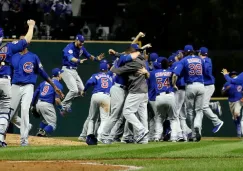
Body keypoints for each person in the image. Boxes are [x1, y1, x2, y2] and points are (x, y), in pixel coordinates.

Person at [9, 36, 64, 146]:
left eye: (23, 40)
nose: (21, 42)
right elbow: (8, 72)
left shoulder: (33, 57)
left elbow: (42, 72)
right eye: (20, 40)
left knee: (25, 111)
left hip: (28, 86)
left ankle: (24, 141)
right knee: (9, 113)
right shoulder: (13, 56)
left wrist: (54, 85)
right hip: (14, 86)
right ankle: (18, 129)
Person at [0, 20, 35, 147]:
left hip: (19, 85)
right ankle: (0, 138)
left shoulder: (30, 56)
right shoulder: (8, 47)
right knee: (6, 111)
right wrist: (31, 26)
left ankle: (8, 138)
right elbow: (27, 40)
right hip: (7, 82)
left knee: (12, 111)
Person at [111, 44, 149, 144]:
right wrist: (116, 54)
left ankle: (141, 130)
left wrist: (112, 68)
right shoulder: (143, 60)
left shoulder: (134, 62)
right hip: (143, 91)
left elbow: (119, 71)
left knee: (127, 112)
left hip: (136, 90)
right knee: (142, 115)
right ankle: (143, 139)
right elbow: (125, 55)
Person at [61, 34, 104, 115]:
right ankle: (63, 105)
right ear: (76, 40)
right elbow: (70, 58)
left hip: (74, 71)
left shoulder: (81, 48)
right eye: (80, 42)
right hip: (66, 70)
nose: (81, 44)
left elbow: (88, 55)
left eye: (83, 43)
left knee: (82, 91)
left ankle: (68, 104)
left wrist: (96, 59)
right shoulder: (69, 47)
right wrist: (78, 61)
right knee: (74, 90)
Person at [172, 45, 205, 142]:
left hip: (190, 86)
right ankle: (197, 126)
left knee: (190, 111)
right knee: (199, 110)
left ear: (185, 52)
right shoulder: (200, 59)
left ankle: (193, 134)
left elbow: (175, 74)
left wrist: (174, 84)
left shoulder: (184, 60)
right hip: (201, 85)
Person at [81, 62, 113, 142]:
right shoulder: (110, 76)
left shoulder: (96, 75)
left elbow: (89, 82)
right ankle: (100, 136)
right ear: (107, 69)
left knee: (92, 118)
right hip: (106, 97)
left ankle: (89, 135)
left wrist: (84, 90)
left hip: (95, 96)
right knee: (104, 119)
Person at [32, 68, 64, 137]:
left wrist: (32, 105)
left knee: (46, 120)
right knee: (52, 124)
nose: (62, 74)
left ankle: (40, 130)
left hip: (38, 104)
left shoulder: (43, 83)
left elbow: (35, 94)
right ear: (58, 75)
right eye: (61, 73)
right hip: (47, 105)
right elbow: (57, 100)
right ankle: (43, 133)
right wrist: (61, 109)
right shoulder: (58, 85)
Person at [198, 47, 224, 133]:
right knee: (198, 104)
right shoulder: (202, 60)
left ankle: (217, 122)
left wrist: (201, 62)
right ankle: (213, 105)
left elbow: (207, 71)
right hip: (204, 85)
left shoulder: (207, 60)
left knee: (203, 106)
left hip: (208, 86)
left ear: (200, 53)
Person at [222, 71, 242, 137]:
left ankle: (239, 125)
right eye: (232, 74)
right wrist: (226, 90)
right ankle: (237, 128)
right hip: (231, 101)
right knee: (234, 118)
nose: (234, 75)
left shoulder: (240, 82)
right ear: (230, 75)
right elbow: (222, 93)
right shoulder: (227, 83)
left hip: (238, 100)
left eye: (235, 74)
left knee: (237, 113)